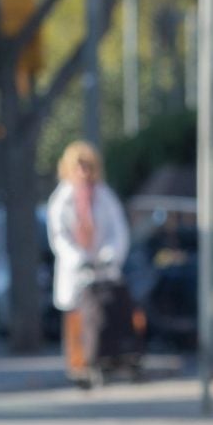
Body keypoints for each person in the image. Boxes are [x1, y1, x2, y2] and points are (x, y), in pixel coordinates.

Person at [46, 141, 129, 385]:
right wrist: (77, 258)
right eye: (78, 166)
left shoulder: (104, 195)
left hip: (102, 271)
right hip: (76, 272)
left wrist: (108, 254)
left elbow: (119, 231)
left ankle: (102, 362)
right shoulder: (62, 198)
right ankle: (78, 368)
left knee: (101, 319)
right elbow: (59, 236)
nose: (83, 172)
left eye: (88, 166)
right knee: (75, 321)